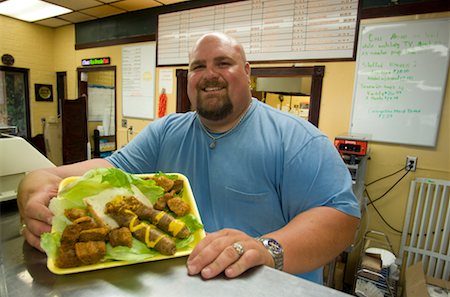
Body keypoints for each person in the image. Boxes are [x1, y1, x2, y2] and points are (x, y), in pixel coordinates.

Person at [17, 32, 360, 284]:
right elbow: (87, 174)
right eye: (198, 67)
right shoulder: (165, 133)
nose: (210, 74)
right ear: (189, 79)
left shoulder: (296, 139)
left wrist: (267, 248)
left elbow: (340, 218)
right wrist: (33, 186)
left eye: (223, 63)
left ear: (248, 73)